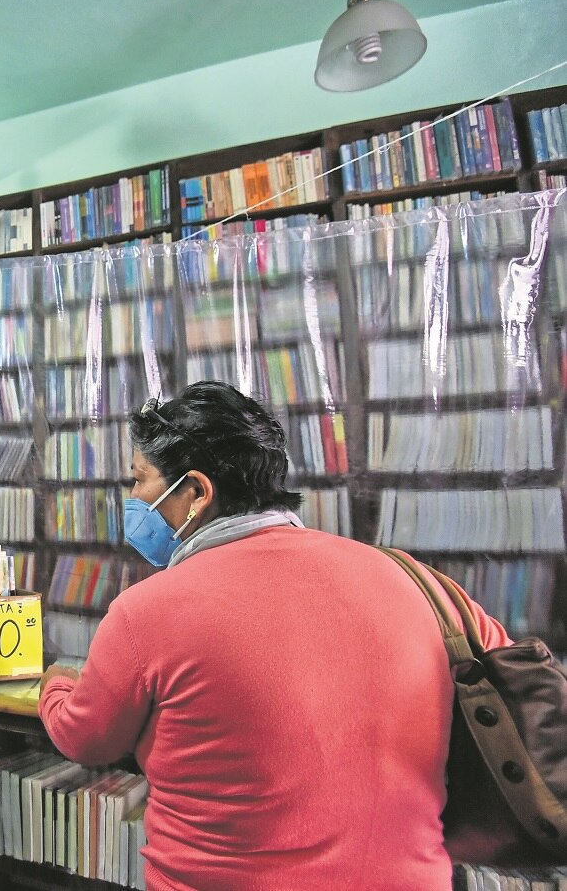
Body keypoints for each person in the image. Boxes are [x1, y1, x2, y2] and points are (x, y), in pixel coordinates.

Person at [38, 381, 510, 891]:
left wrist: (55, 684)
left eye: (139, 480)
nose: (132, 499)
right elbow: (509, 678)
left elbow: (87, 738)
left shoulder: (146, 611)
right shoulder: (419, 582)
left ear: (195, 492)